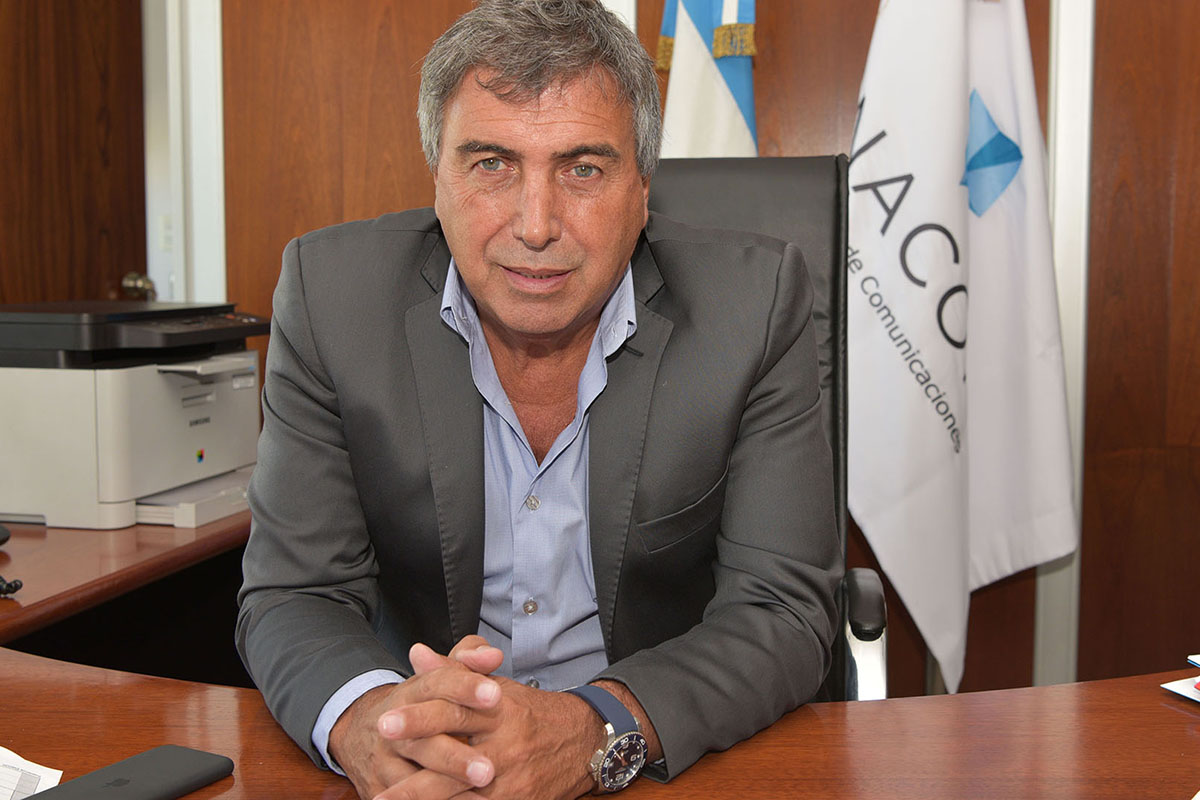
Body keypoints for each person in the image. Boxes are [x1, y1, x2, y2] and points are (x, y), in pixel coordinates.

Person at [236, 1, 841, 798]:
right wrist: (370, 722)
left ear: (642, 187)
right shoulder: (331, 298)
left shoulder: (754, 305)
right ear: (438, 177)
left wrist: (595, 730)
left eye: (582, 169)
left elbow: (783, 610)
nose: (535, 226)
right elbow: (295, 591)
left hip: (653, 768)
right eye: (492, 163)